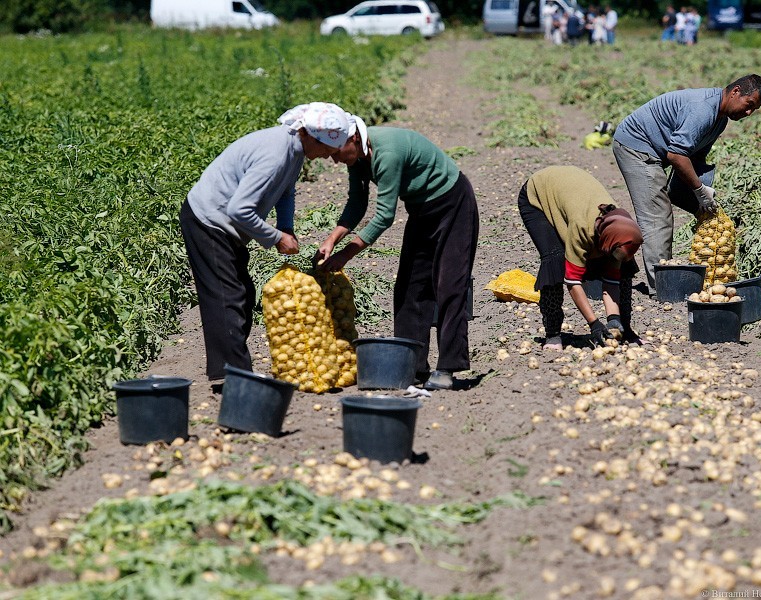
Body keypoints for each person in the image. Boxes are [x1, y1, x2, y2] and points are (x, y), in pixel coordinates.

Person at [180, 102, 353, 386]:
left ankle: (233, 370)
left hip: (226, 224)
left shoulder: (294, 150)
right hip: (209, 220)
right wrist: (275, 238)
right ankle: (233, 375)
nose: (328, 156)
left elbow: (285, 190)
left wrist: (287, 226)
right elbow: (239, 209)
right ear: (311, 135)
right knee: (228, 297)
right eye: (327, 148)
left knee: (243, 295)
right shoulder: (276, 153)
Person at [315, 122, 479, 391]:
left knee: (450, 283)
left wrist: (346, 254)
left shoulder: (386, 153)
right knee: (410, 287)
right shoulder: (356, 157)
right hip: (421, 209)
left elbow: (384, 215)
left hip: (452, 202)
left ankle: (448, 367)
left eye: (336, 151)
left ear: (354, 138)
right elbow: (357, 203)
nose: (334, 159)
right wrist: (332, 239)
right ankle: (412, 365)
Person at [611, 74, 761, 291]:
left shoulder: (719, 120)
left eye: (754, 110)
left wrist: (701, 200)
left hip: (658, 150)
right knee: (657, 216)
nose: (749, 113)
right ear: (735, 92)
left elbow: (694, 158)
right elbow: (676, 155)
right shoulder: (703, 110)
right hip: (637, 146)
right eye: (749, 104)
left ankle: (633, 268)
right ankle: (663, 286)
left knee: (671, 204)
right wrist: (698, 189)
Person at [518, 166, 644, 351]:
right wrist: (594, 324)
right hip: (538, 197)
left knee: (625, 268)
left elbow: (612, 278)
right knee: (554, 260)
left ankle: (625, 329)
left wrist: (613, 319)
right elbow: (573, 281)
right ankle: (553, 334)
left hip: (571, 194)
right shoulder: (582, 228)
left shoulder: (619, 229)